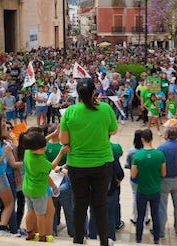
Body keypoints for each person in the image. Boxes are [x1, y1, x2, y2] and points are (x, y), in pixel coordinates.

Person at [59, 78, 117, 246]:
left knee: (80, 203)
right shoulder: (105, 108)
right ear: (94, 93)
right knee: (100, 203)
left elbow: (64, 140)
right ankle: (104, 240)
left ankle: (78, 239)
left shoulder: (69, 112)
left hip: (77, 165)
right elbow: (112, 130)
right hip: (102, 163)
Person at [23, 130, 70, 242]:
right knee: (41, 214)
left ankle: (30, 233)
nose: (45, 147)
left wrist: (53, 134)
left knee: (30, 211)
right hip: (38, 190)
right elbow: (53, 166)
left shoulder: (28, 151)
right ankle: (43, 237)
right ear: (37, 148)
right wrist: (61, 152)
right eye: (43, 147)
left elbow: (41, 142)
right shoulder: (38, 160)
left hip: (28, 187)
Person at [131, 129, 167, 244]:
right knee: (155, 215)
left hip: (142, 190)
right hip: (155, 190)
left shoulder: (137, 155)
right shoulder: (160, 154)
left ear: (142, 140)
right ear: (152, 139)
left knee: (140, 216)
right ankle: (156, 239)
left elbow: (133, 175)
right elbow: (163, 173)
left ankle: (138, 239)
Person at [157, 126, 177, 238]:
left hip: (164, 180)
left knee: (162, 206)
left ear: (166, 135)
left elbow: (158, 164)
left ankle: (161, 231)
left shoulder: (161, 148)